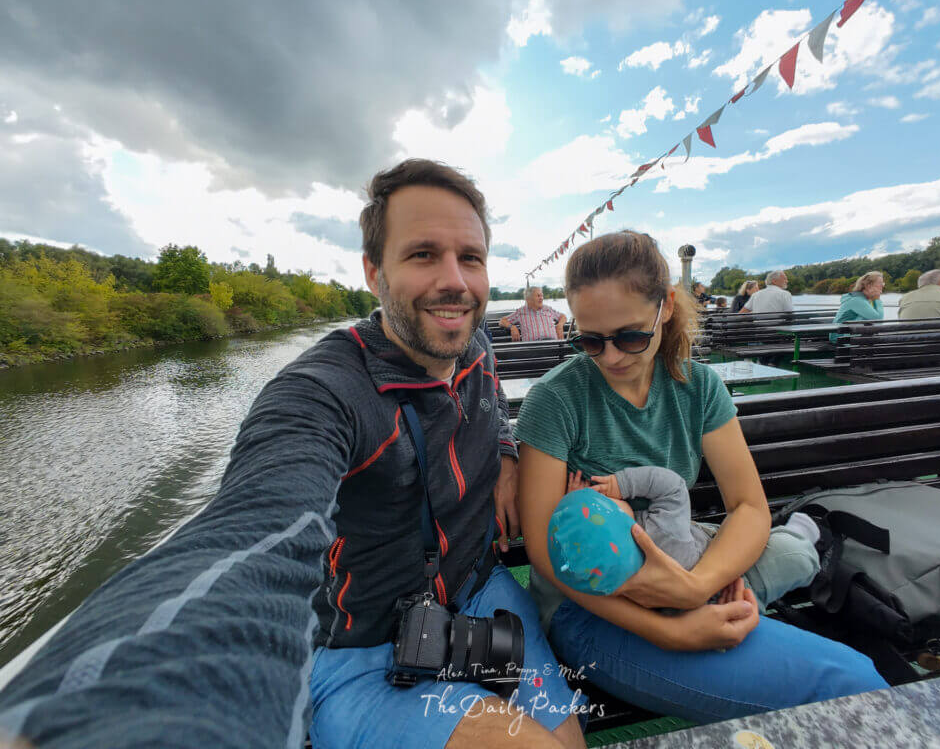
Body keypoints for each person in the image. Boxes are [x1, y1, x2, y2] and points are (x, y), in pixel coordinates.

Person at [0, 160, 586, 749]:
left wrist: (507, 452)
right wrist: (93, 714)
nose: (455, 281)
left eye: (471, 258)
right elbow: (255, 530)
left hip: (480, 594)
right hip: (367, 654)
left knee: (569, 739)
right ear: (373, 272)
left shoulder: (473, 339)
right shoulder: (323, 393)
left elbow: (490, 411)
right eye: (423, 255)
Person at [514, 230, 887, 726]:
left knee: (845, 662)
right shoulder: (557, 399)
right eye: (589, 340)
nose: (610, 357)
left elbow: (749, 507)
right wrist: (669, 630)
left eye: (629, 336)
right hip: (591, 609)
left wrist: (697, 586)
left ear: (665, 307)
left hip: (686, 563)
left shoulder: (698, 386)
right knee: (850, 683)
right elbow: (542, 549)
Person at [555, 467, 821, 611]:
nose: (600, 497)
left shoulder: (617, 579)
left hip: (715, 578)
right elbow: (672, 485)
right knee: (794, 556)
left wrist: (570, 502)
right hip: (733, 573)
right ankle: (800, 530)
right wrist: (621, 484)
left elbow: (581, 552)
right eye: (602, 503)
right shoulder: (662, 528)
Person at [830, 271, 885, 342]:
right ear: (868, 286)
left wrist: (875, 300)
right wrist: (877, 299)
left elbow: (877, 322)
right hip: (840, 337)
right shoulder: (857, 300)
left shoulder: (865, 299)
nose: (883, 286)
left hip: (850, 336)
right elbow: (878, 320)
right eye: (880, 283)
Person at [500, 287, 567, 342]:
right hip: (532, 348)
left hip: (552, 345)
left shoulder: (548, 309)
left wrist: (560, 325)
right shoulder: (521, 312)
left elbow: (563, 316)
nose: (541, 298)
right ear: (528, 299)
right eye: (538, 296)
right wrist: (512, 327)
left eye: (542, 295)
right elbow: (502, 321)